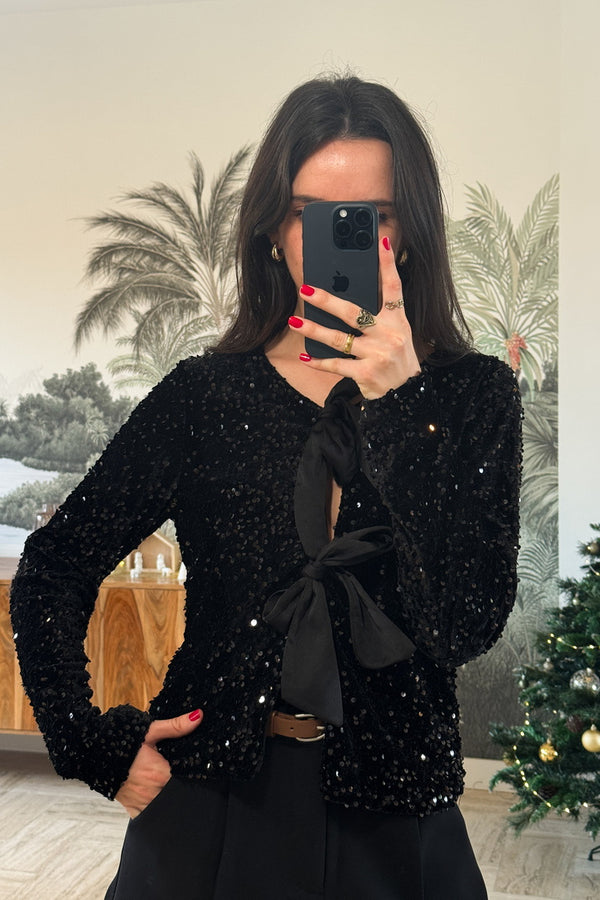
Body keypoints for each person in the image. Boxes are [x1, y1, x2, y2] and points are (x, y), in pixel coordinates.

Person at [10, 75, 522, 899]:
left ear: (409, 231)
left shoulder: (473, 397)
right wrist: (89, 743)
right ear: (274, 231)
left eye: (371, 215)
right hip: (208, 807)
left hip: (400, 818)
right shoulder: (203, 397)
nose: (338, 239)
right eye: (310, 212)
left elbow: (467, 622)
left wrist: (404, 410)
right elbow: (54, 564)